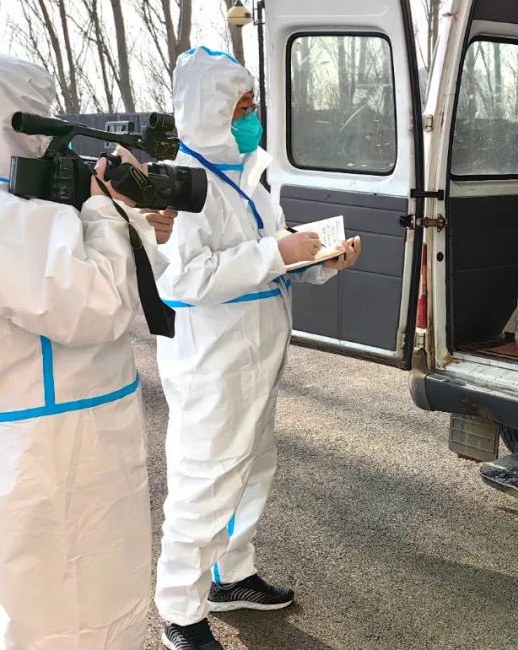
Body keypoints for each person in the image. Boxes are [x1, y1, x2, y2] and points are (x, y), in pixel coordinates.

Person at [0, 51, 174, 648]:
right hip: (59, 456)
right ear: (12, 117)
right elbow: (98, 304)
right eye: (41, 114)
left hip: (52, 444)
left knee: (47, 610)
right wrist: (109, 212)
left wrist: (129, 221)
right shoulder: (4, 220)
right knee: (75, 613)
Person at [154, 47, 361, 650]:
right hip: (213, 362)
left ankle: (232, 575)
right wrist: (278, 252)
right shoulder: (180, 184)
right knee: (204, 481)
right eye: (240, 108)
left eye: (251, 105)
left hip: (256, 357)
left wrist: (318, 259)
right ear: (208, 111)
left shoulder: (245, 173)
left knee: (251, 469)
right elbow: (184, 278)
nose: (251, 118)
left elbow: (272, 251)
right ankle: (180, 612)